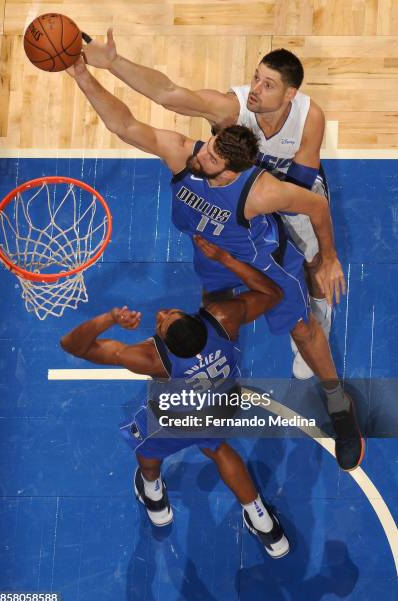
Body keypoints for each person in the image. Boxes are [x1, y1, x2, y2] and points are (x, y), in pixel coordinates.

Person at [65, 57, 365, 472]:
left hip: (265, 263)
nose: (201, 154)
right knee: (214, 322)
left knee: (303, 328)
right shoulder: (185, 158)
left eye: (210, 157)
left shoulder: (261, 192)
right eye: (207, 146)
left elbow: (316, 205)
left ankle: (337, 402)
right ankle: (223, 380)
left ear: (231, 172)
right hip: (213, 262)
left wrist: (327, 258)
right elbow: (126, 126)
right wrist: (83, 75)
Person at [81, 32, 330, 379]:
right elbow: (166, 94)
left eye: (268, 84)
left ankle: (318, 309)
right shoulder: (231, 110)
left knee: (316, 266)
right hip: (240, 202)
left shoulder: (308, 117)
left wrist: (325, 257)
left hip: (287, 194)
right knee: (216, 302)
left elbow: (303, 188)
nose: (256, 88)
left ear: (290, 94)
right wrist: (111, 63)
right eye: (256, 77)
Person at [61, 236, 290, 559]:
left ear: (163, 345)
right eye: (169, 314)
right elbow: (273, 293)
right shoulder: (223, 320)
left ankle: (152, 492)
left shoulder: (150, 360)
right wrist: (228, 259)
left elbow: (73, 346)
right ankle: (263, 521)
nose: (163, 312)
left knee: (148, 453)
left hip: (176, 418)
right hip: (220, 406)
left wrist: (110, 319)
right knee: (219, 449)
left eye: (163, 319)